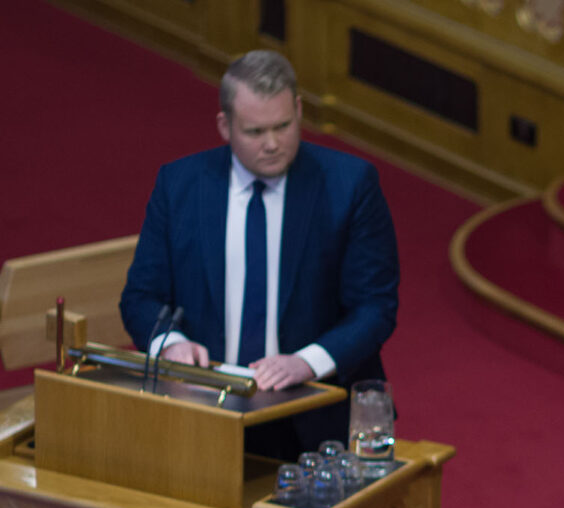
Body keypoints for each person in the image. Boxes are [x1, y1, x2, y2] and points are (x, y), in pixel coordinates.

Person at [120, 49, 399, 459]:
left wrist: (307, 362)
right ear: (224, 125)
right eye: (254, 132)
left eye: (283, 126)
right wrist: (171, 344)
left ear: (299, 111)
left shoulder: (350, 186)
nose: (272, 144)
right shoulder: (180, 185)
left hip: (314, 414)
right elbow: (140, 298)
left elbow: (375, 307)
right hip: (204, 413)